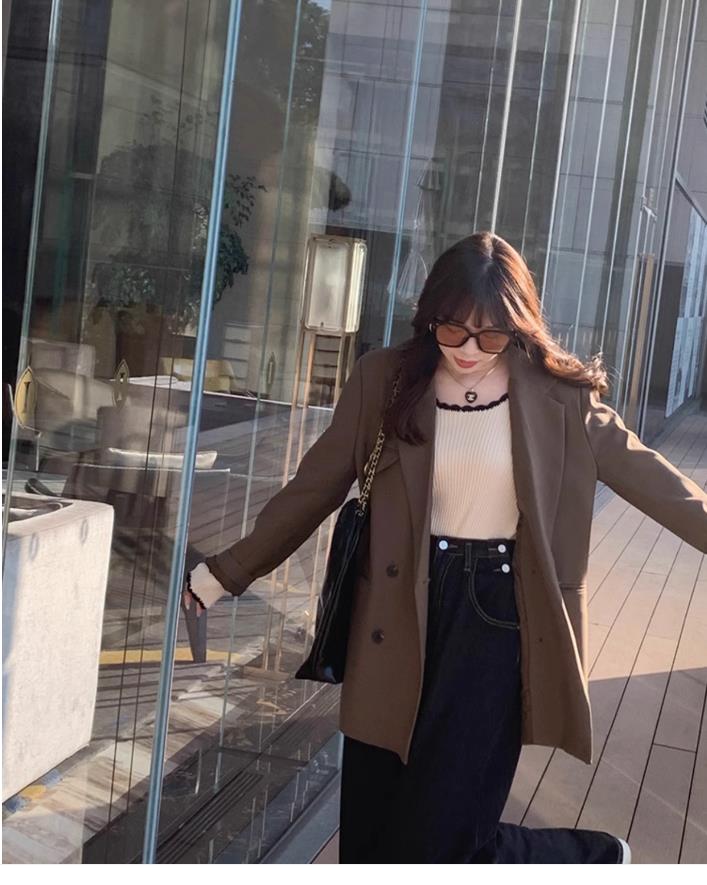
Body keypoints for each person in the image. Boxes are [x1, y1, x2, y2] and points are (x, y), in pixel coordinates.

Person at [182, 231, 707, 863]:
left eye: (491, 337)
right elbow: (313, 488)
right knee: (371, 843)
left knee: (445, 844)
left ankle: (590, 857)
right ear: (430, 317)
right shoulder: (386, 379)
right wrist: (225, 573)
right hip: (395, 611)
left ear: (518, 327)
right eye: (452, 330)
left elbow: (657, 481)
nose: (467, 350)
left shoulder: (559, 397)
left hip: (497, 618)